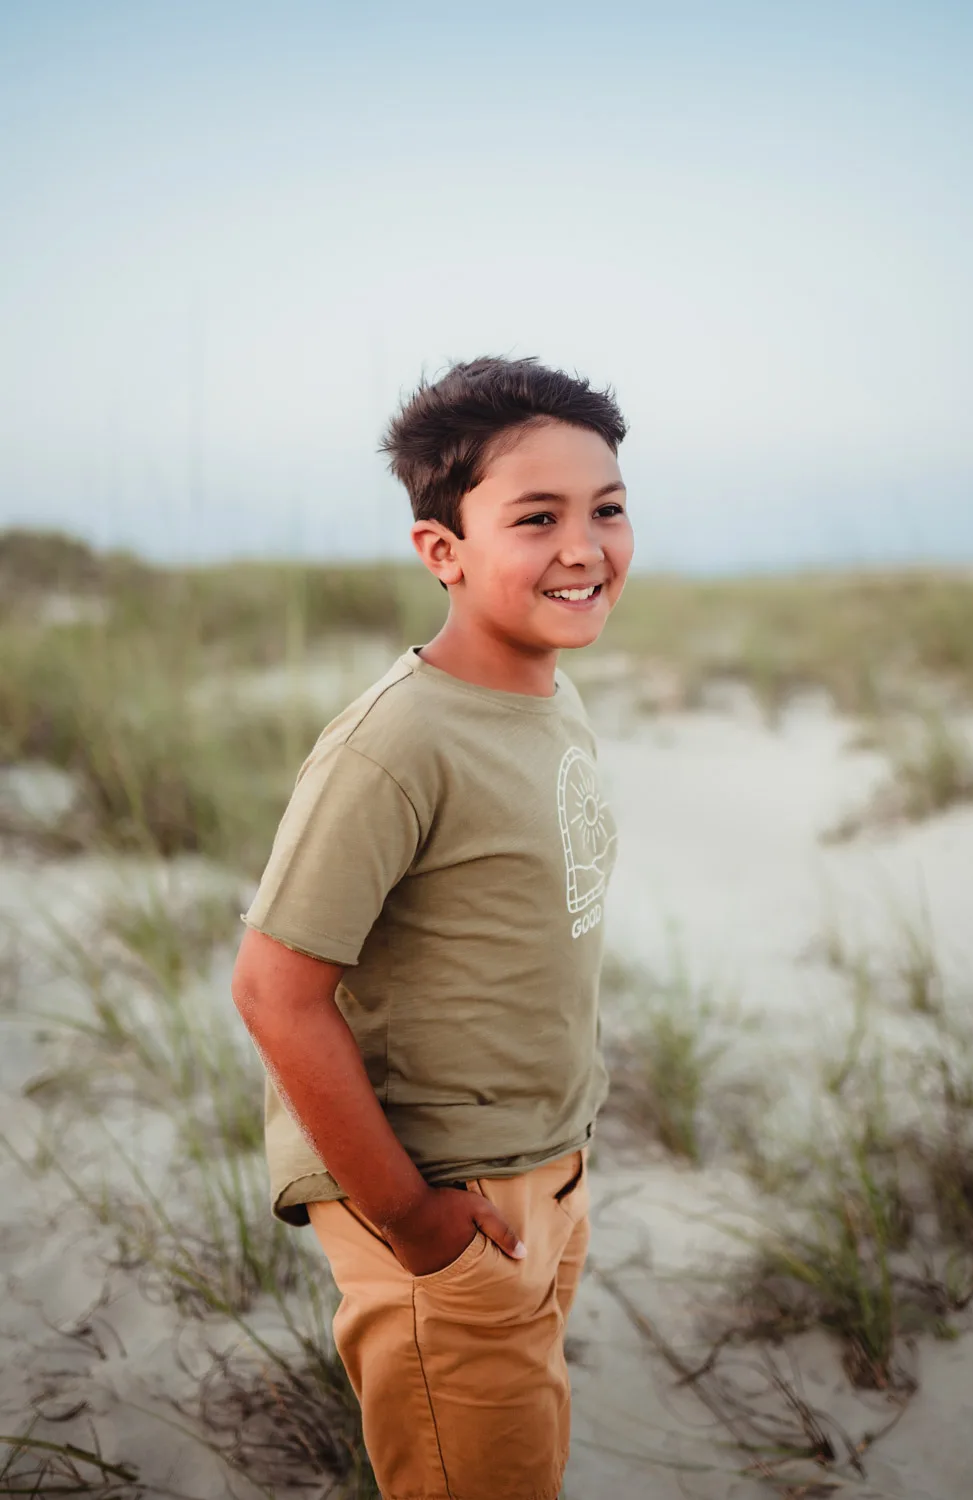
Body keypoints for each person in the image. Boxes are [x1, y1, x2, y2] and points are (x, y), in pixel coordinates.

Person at [231, 354, 634, 1500]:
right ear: (441, 551)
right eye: (536, 517)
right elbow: (273, 990)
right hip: (440, 1202)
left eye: (605, 508)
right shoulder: (394, 744)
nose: (582, 547)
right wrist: (413, 1222)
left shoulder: (549, 693)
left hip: (546, 1183)